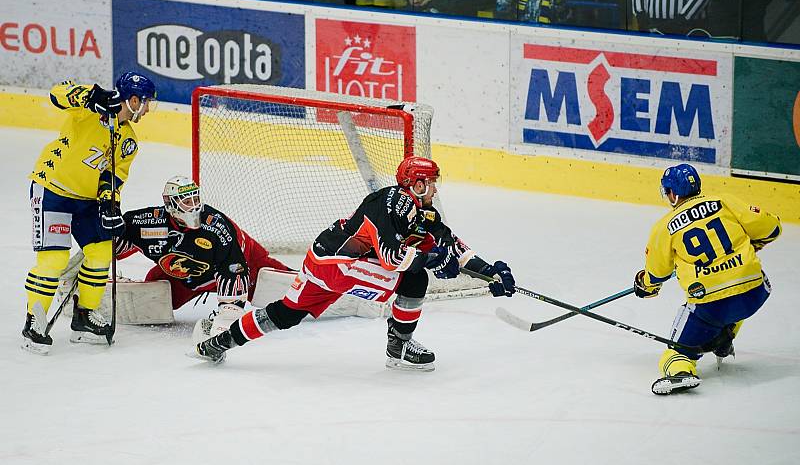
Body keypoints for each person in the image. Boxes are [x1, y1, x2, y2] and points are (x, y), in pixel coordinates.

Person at [192, 156, 517, 370]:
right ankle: (399, 348)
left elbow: (453, 245)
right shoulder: (390, 203)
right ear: (417, 184)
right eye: (431, 182)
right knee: (413, 280)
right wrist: (433, 259)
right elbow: (393, 258)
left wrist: (490, 272)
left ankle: (219, 342)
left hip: (322, 259)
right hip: (340, 266)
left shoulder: (421, 211)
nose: (435, 188)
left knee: (287, 313)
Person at [22, 71, 157, 354]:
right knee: (54, 259)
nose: (146, 111)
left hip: (86, 201)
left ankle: (84, 317)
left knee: (99, 251)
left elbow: (112, 177)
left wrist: (111, 205)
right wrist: (90, 95)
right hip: (53, 189)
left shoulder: (128, 141)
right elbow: (58, 92)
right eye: (145, 103)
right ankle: (34, 320)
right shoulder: (87, 111)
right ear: (133, 100)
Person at [634, 163, 782, 395]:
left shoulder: (664, 227)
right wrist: (752, 244)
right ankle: (723, 338)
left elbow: (656, 275)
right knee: (735, 301)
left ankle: (681, 372)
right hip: (755, 292)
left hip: (712, 304)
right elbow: (771, 228)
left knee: (676, 352)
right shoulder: (724, 201)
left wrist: (644, 285)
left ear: (673, 194)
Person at [115, 176, 292, 335]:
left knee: (290, 290)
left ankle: (316, 287)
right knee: (156, 294)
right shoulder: (149, 222)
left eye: (195, 198)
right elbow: (119, 241)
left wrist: (229, 311)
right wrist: (109, 233)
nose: (194, 205)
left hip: (248, 263)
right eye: (186, 201)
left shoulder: (215, 226)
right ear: (170, 204)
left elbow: (233, 266)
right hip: (191, 277)